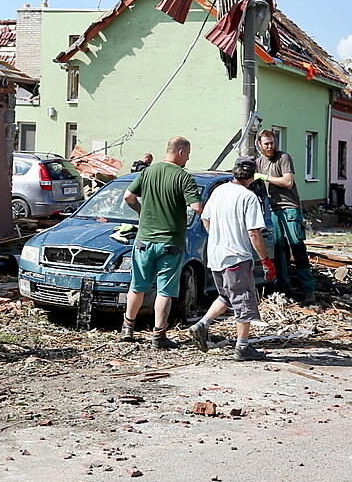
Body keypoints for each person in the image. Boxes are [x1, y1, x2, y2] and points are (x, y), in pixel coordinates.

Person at [187, 157, 277, 360]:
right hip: (237, 257)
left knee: (227, 297)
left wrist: (217, 237)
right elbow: (254, 232)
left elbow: (205, 217)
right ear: (252, 177)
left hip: (216, 256)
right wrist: (265, 260)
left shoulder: (219, 191)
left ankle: (202, 324)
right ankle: (242, 347)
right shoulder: (249, 197)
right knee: (243, 300)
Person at [122, 136, 205, 349]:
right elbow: (196, 207)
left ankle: (128, 328)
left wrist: (140, 210)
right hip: (170, 243)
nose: (188, 159)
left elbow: (128, 196)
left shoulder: (148, 172)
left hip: (144, 240)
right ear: (180, 152)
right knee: (165, 291)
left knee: (137, 286)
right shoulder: (183, 177)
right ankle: (158, 336)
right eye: (187, 154)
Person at [254, 129, 319, 304]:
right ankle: (284, 287)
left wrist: (264, 177)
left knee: (297, 247)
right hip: (272, 210)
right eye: (266, 144)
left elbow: (287, 181)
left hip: (289, 208)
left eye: (272, 143)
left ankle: (308, 288)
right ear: (260, 145)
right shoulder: (259, 162)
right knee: (278, 249)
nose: (270, 146)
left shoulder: (283, 158)